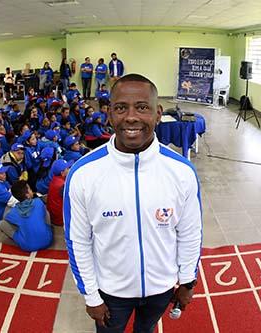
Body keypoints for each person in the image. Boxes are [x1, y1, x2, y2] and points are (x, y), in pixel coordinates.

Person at [63, 74, 202, 333]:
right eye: (120, 108)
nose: (131, 117)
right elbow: (78, 241)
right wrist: (91, 296)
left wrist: (187, 282)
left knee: (145, 331)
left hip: (161, 289)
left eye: (142, 107)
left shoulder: (182, 171)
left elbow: (190, 233)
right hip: (110, 293)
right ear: (108, 114)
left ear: (158, 113)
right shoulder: (83, 174)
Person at [0, 180, 52, 252]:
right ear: (27, 195)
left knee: (2, 223)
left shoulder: (14, 212)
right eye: (30, 189)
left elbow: (5, 217)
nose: (31, 190)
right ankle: (46, 229)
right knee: (45, 212)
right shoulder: (38, 202)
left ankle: (25, 233)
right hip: (47, 240)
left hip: (28, 246)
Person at [47, 159, 72, 226]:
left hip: (53, 214)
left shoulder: (54, 179)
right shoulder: (62, 185)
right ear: (62, 173)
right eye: (67, 168)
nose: (69, 169)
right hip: (59, 219)